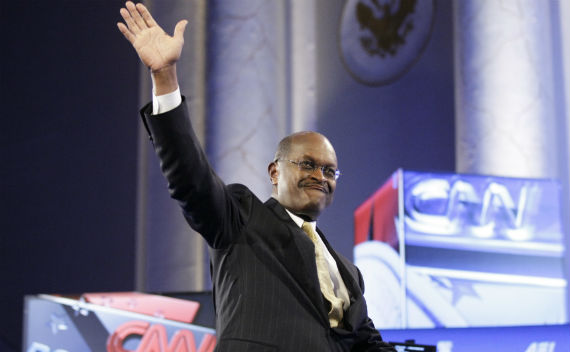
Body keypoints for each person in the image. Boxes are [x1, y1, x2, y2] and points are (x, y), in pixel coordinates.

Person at [118, 2, 396, 351]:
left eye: (329, 170)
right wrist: (164, 76)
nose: (320, 176)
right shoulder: (242, 217)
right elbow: (191, 179)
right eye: (307, 164)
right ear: (275, 170)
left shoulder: (349, 274)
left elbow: (368, 344)